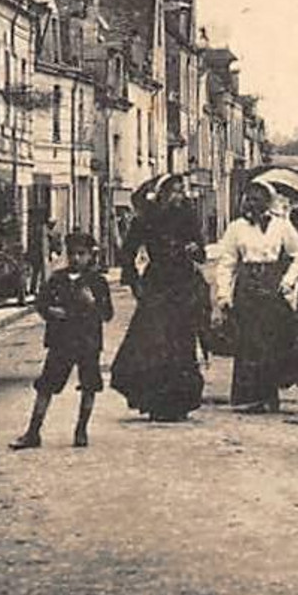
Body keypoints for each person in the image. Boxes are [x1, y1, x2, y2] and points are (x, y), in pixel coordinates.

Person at [213, 182, 298, 413]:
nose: (253, 203)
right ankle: (250, 397)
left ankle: (270, 393)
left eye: (258, 198)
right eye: (249, 198)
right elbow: (227, 263)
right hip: (247, 288)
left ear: (268, 201)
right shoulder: (235, 228)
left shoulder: (282, 226)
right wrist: (224, 295)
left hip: (271, 286)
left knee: (272, 340)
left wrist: (288, 280)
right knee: (249, 341)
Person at [109, 176, 208, 421]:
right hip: (157, 283)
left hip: (183, 284)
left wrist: (194, 250)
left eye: (181, 191)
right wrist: (133, 282)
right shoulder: (146, 218)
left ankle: (180, 402)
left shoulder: (188, 216)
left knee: (181, 344)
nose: (179, 196)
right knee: (151, 343)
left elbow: (202, 252)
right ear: (162, 193)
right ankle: (154, 401)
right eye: (174, 191)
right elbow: (128, 251)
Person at [10, 232, 113, 449]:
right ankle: (33, 432)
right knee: (46, 386)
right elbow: (41, 303)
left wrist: (92, 302)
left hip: (88, 342)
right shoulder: (57, 279)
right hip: (61, 342)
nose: (76, 258)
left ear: (90, 256)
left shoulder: (97, 282)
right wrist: (50, 311)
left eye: (81, 254)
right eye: (72, 254)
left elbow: (107, 314)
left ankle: (81, 430)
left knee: (89, 386)